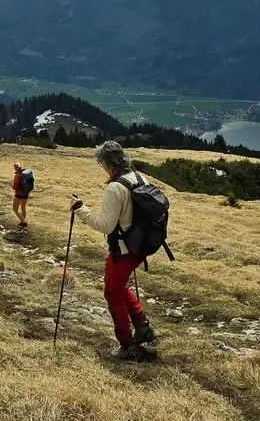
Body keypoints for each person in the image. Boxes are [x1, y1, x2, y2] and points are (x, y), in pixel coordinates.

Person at [69, 141, 156, 361]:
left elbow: (106, 225)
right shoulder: (139, 178)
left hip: (123, 250)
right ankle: (142, 326)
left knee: (111, 292)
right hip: (139, 246)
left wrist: (81, 209)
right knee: (117, 286)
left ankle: (126, 345)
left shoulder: (114, 188)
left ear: (108, 165)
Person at [11, 162, 30, 230]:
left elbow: (15, 187)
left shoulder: (17, 176)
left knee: (15, 209)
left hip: (19, 194)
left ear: (15, 168)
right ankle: (22, 221)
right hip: (26, 193)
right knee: (23, 208)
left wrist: (12, 185)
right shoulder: (26, 173)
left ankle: (23, 222)